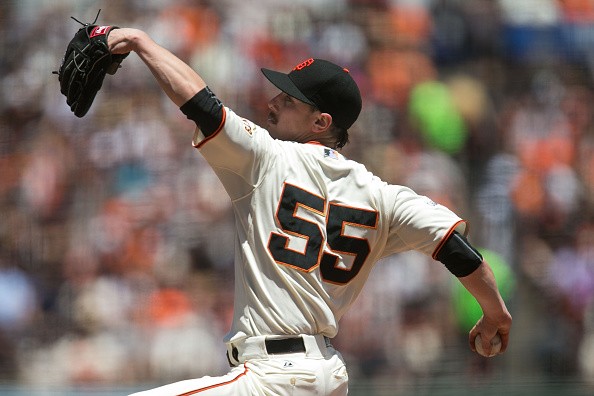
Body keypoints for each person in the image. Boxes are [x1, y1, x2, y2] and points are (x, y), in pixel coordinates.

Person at [107, 27, 512, 395]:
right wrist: (494, 313)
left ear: (320, 122)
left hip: (274, 377)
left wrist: (141, 42)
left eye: (288, 100)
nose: (272, 103)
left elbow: (202, 105)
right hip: (326, 375)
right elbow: (459, 251)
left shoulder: (267, 159)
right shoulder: (386, 197)